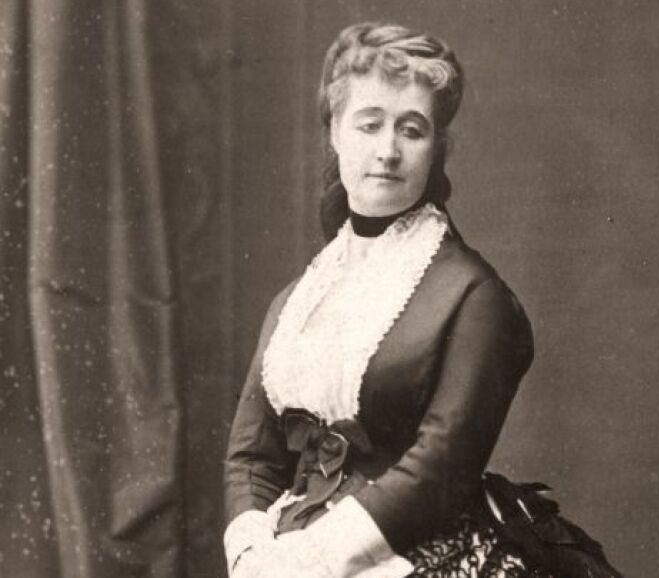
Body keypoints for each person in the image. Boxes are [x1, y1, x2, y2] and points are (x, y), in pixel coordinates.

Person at [222, 22, 620, 578]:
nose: (387, 151)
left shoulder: (473, 296)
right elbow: (252, 457)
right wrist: (251, 555)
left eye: (411, 130)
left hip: (414, 551)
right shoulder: (298, 300)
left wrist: (312, 560)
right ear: (335, 132)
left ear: (437, 148)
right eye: (369, 124)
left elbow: (440, 468)